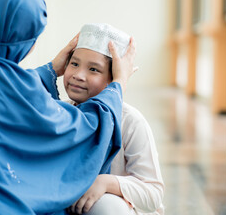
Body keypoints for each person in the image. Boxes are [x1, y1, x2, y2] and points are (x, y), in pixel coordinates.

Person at [0, 0, 136, 215]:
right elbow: (81, 129)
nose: (79, 75)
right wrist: (117, 85)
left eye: (93, 69)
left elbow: (1, 89)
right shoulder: (12, 90)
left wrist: (50, 69)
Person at [63, 23, 164, 215]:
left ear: (114, 79)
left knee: (106, 207)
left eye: (94, 70)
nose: (78, 75)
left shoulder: (130, 121)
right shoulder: (62, 112)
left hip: (115, 209)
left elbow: (153, 194)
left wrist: (106, 183)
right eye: (74, 64)